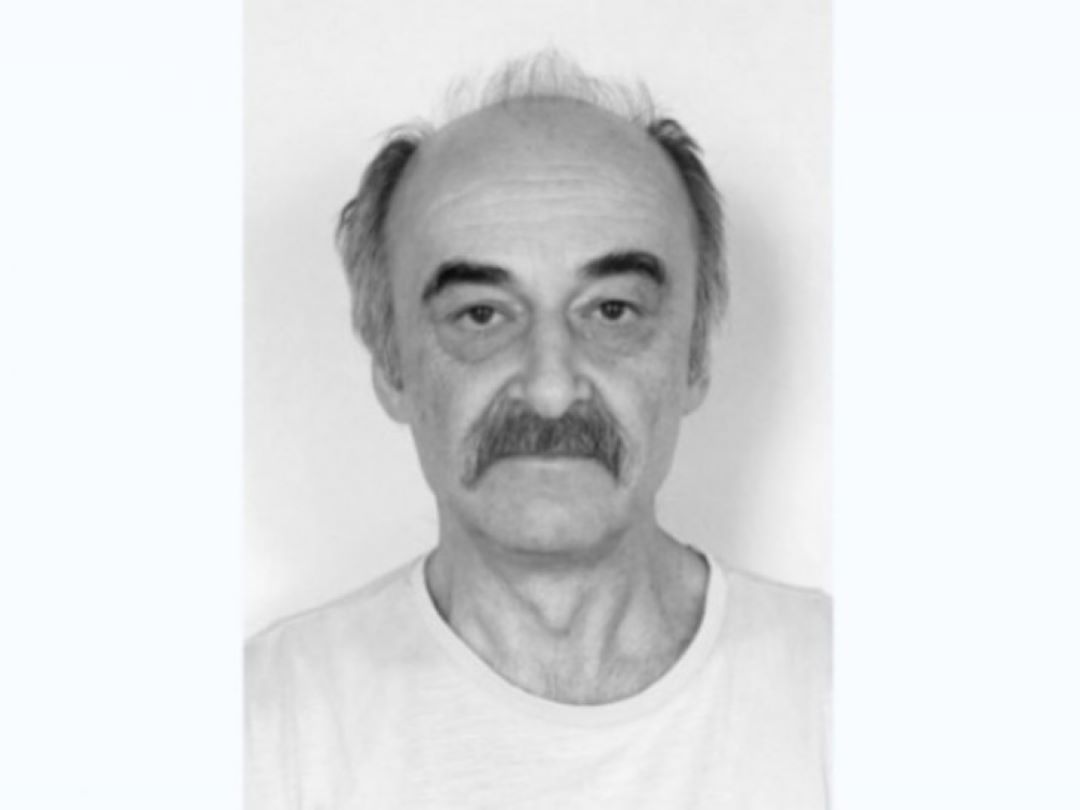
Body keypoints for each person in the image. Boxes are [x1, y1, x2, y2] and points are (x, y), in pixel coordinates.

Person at [246, 52, 831, 809]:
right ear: (392, 366)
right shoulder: (260, 730)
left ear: (693, 359)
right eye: (481, 315)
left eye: (612, 311)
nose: (551, 389)